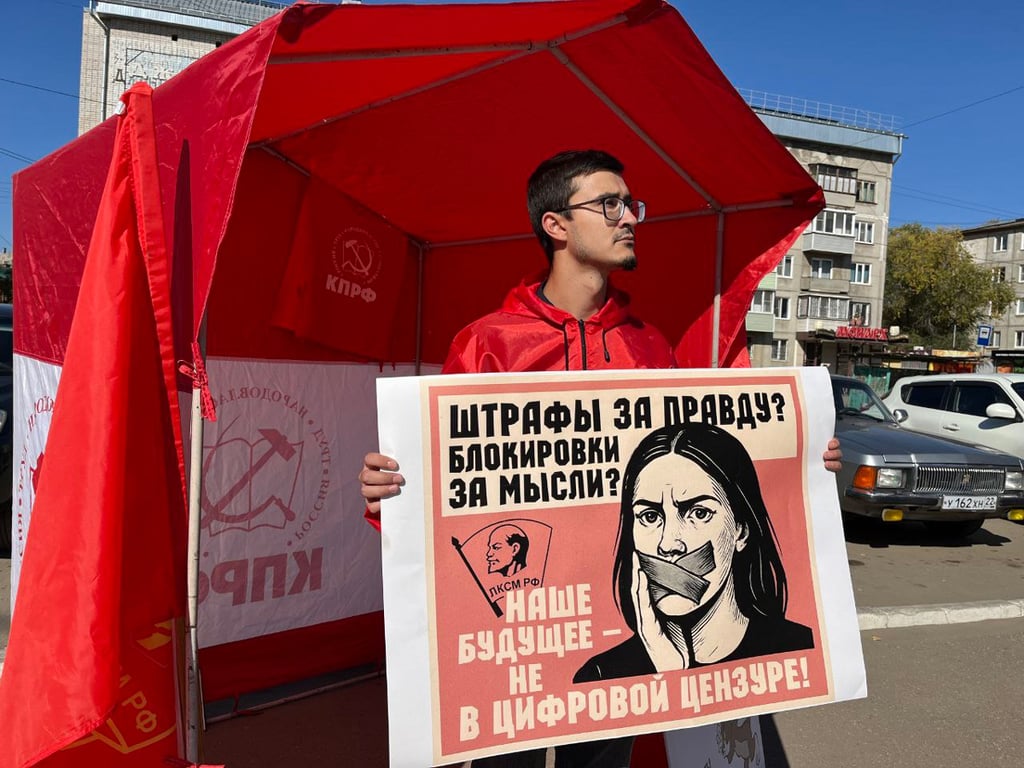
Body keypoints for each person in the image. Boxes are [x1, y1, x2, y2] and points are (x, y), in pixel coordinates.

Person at [360, 149, 842, 768]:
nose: (629, 218)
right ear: (555, 224)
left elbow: (699, 462)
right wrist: (389, 496)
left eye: (630, 204)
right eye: (609, 204)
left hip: (614, 622)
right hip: (521, 628)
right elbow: (447, 482)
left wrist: (800, 459)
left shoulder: (651, 346)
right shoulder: (487, 344)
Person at [574, 422, 812, 683]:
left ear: (740, 532)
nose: (668, 544)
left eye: (699, 513)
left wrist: (816, 461)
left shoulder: (802, 648)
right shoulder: (600, 676)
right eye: (649, 516)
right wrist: (670, 676)